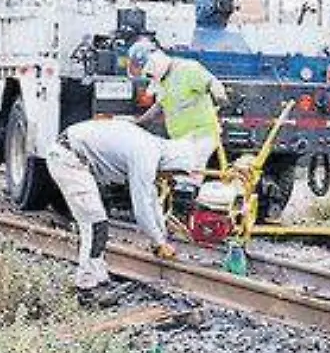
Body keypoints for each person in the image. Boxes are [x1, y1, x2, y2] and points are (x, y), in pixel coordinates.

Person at [43, 118, 216, 291]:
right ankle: (86, 287)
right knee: (95, 224)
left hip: (73, 155)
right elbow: (141, 209)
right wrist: (158, 242)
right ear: (174, 162)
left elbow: (152, 199)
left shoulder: (151, 146)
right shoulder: (146, 155)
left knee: (97, 223)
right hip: (68, 158)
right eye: (173, 172)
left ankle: (100, 280)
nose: (169, 177)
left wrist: (161, 238)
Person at [129, 41, 229, 145]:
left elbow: (214, 85)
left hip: (201, 136)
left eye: (149, 73)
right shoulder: (162, 81)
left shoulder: (188, 69)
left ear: (153, 63)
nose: (150, 77)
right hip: (181, 139)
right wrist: (139, 123)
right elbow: (160, 106)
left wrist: (222, 106)